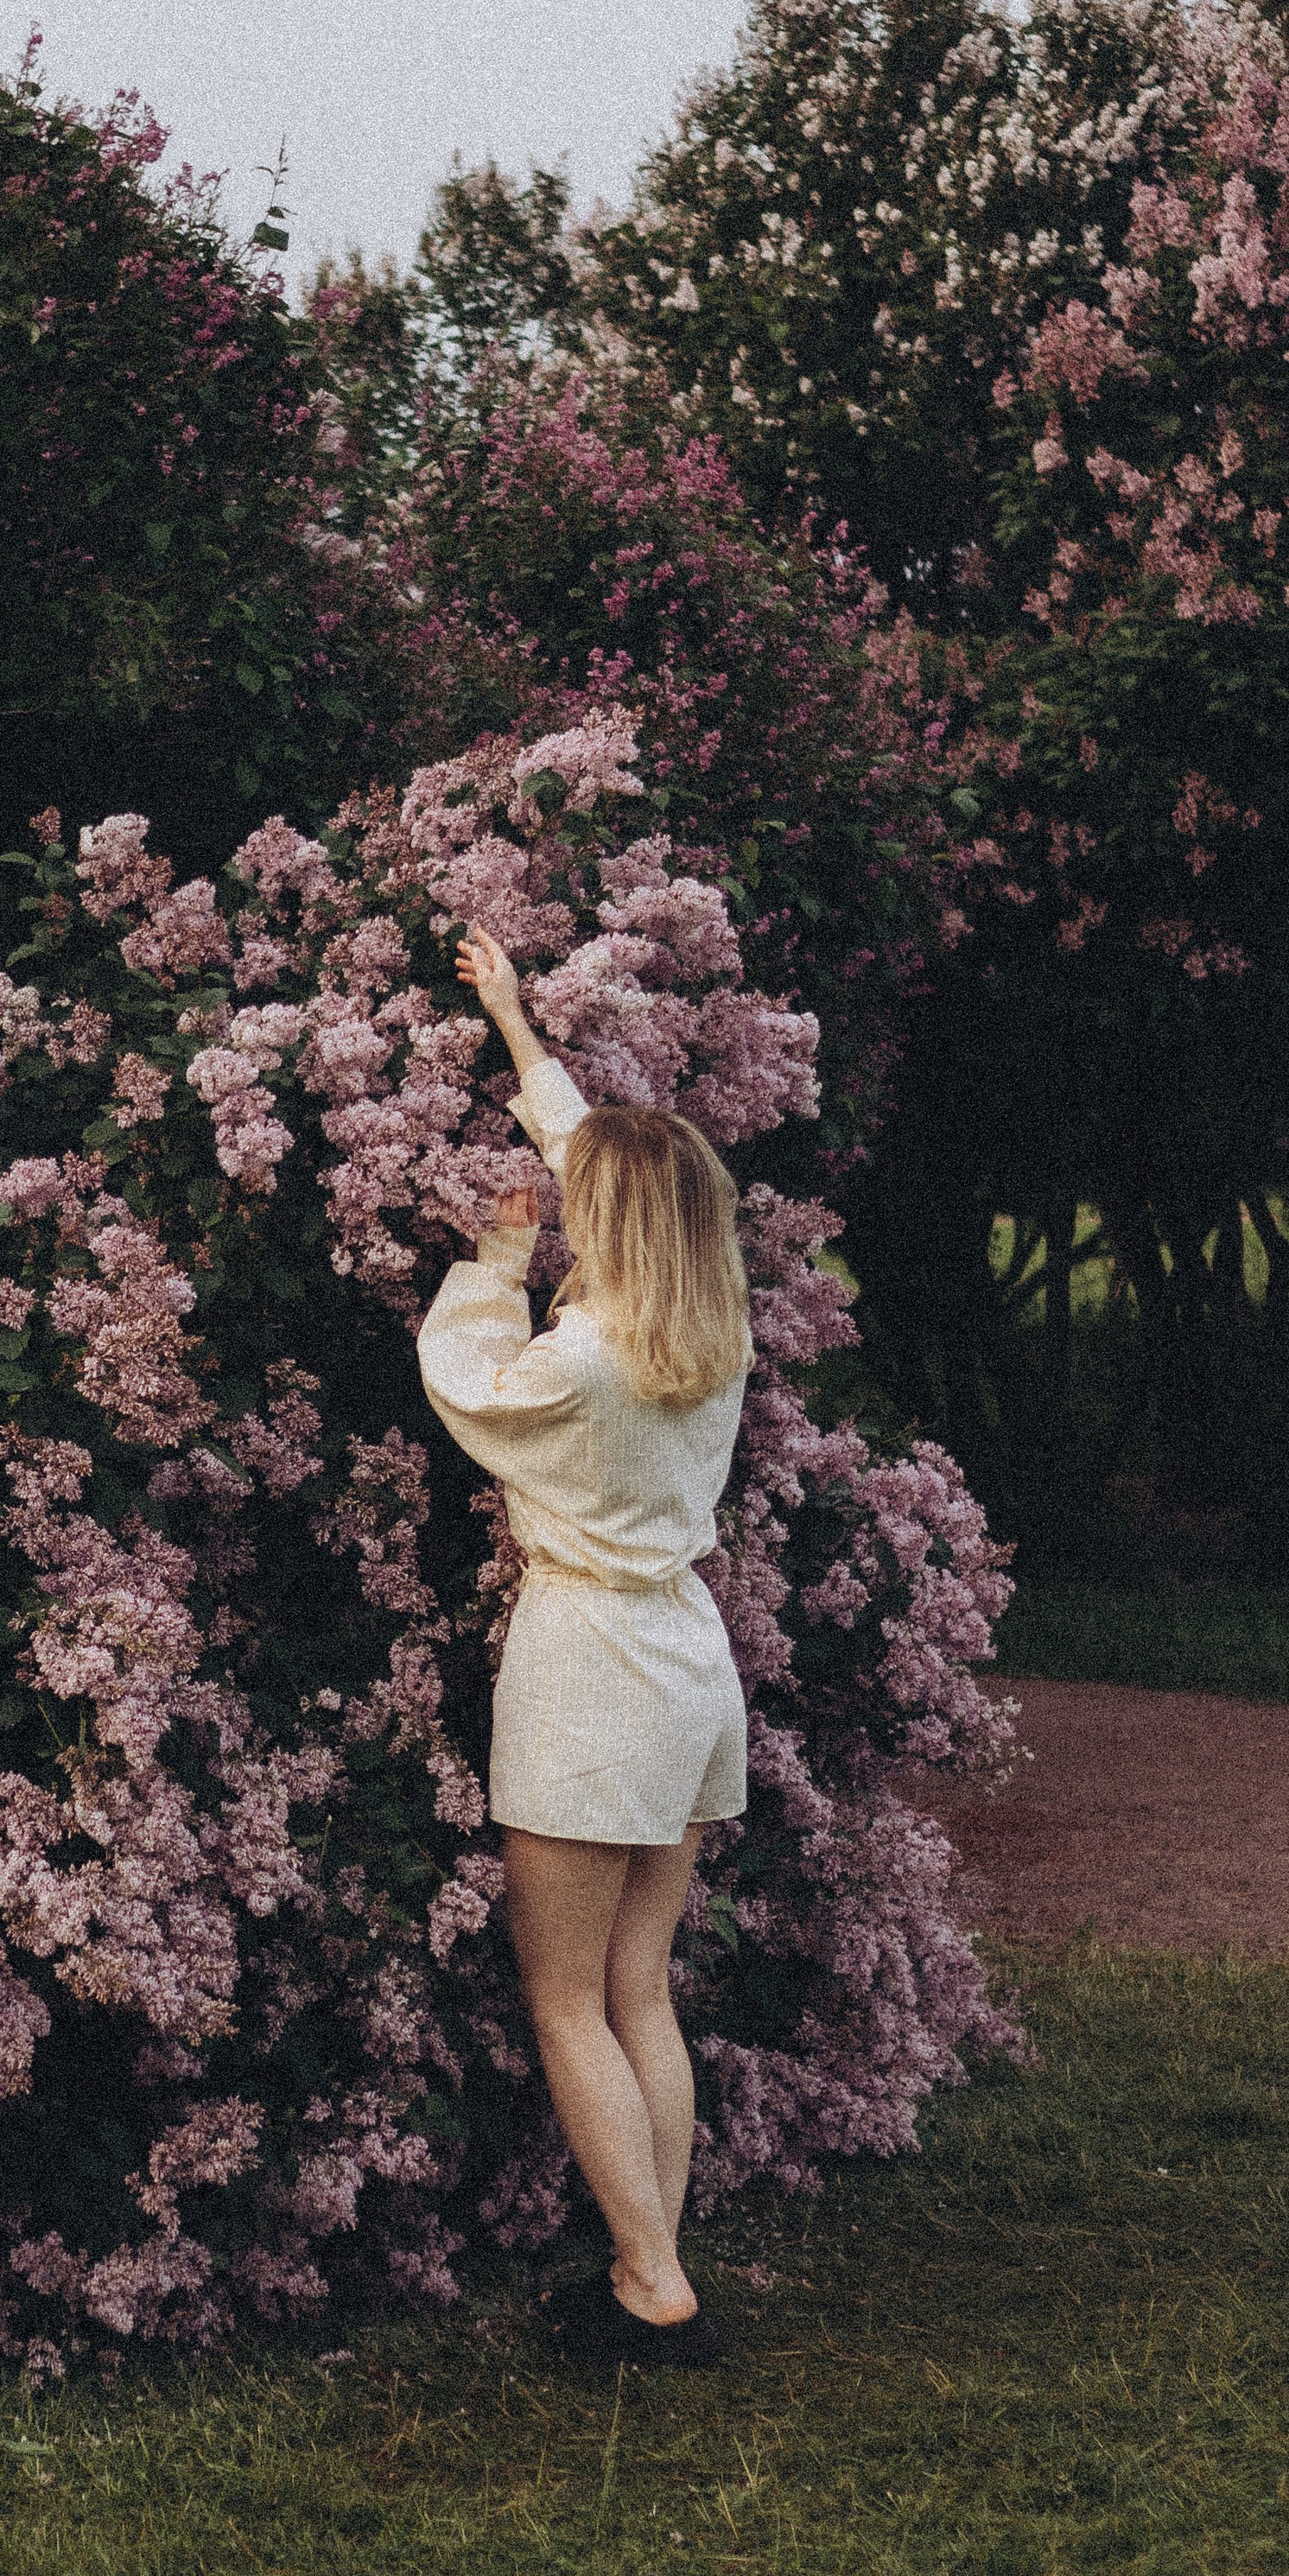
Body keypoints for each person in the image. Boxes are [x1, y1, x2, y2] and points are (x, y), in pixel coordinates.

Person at [417, 922, 754, 2372]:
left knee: (565, 1996)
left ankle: (653, 2285)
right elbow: (604, 1159)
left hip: (586, 1673)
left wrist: (493, 1263)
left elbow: (467, 1384)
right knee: (641, 1989)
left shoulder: (581, 1360)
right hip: (685, 1667)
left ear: (601, 1227)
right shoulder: (707, 1332)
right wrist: (513, 1020)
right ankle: (649, 2271)